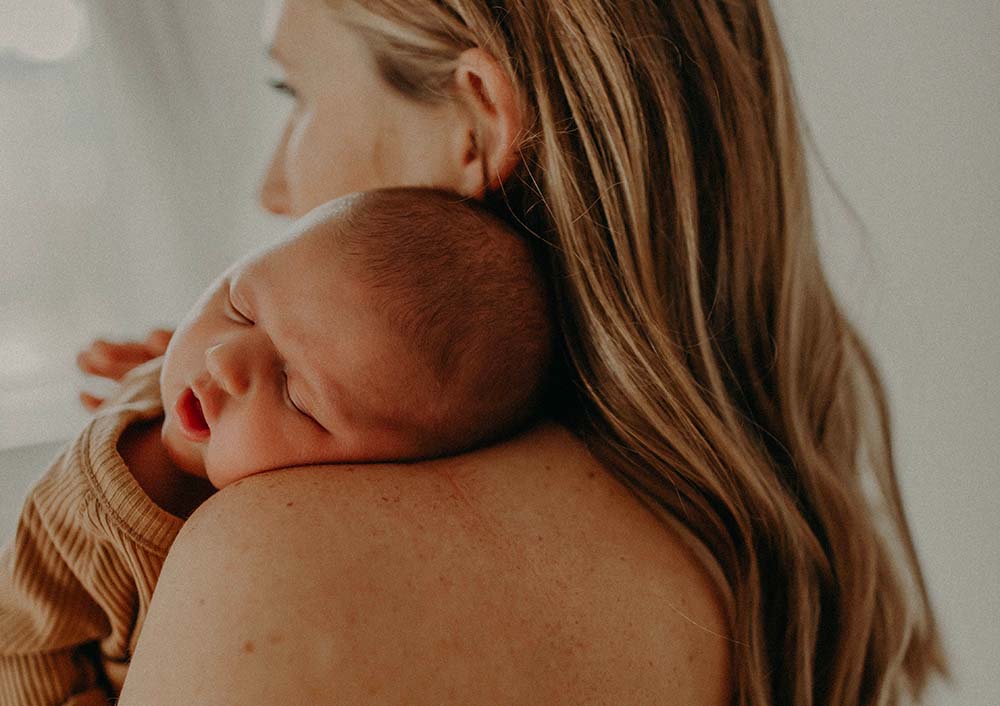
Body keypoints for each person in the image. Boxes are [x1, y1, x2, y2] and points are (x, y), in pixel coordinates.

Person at [80, 1, 949, 705]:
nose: (274, 190)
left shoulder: (277, 553)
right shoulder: (784, 553)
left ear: (478, 122)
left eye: (293, 93)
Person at [0, 188, 552, 706]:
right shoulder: (94, 507)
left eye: (295, 393)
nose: (222, 358)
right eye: (238, 306)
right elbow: (18, 643)